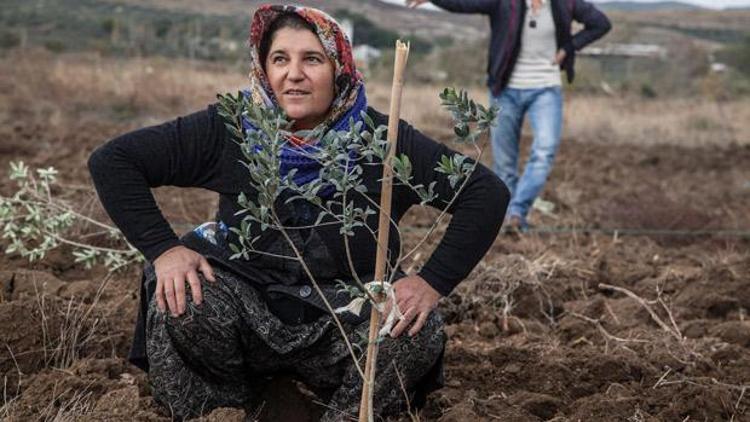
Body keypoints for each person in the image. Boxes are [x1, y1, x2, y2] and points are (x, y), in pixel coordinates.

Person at [88, 5, 508, 421]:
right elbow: (114, 161)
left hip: (342, 323)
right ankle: (231, 408)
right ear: (264, 70)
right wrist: (164, 250)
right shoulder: (231, 128)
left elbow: (485, 194)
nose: (294, 73)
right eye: (280, 59)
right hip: (245, 316)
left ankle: (341, 414)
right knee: (183, 297)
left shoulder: (383, 140)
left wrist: (431, 283)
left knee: (415, 327)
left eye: (312, 59)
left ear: (339, 68)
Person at [408, 0, 611, 230]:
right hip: (505, 91)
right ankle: (505, 222)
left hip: (546, 88)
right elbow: (464, 4)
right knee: (505, 165)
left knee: (545, 151)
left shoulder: (565, 4)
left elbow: (601, 23)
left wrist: (569, 47)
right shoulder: (505, 2)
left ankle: (517, 212)